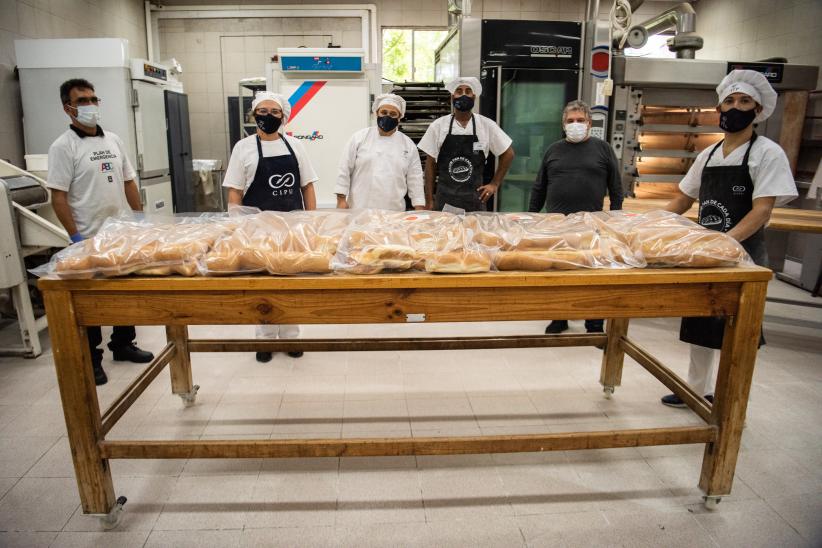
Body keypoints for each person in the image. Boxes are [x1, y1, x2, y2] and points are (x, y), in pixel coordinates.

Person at [660, 70, 798, 407]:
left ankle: (730, 401)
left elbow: (762, 210)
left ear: (758, 110)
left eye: (744, 101)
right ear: (720, 107)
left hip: (744, 253)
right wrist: (653, 223)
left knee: (738, 331)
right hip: (707, 253)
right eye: (730, 101)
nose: (735, 107)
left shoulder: (767, 153)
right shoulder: (708, 154)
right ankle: (695, 390)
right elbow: (682, 199)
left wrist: (727, 241)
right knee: (703, 322)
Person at [47, 78, 154, 386]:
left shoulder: (114, 141)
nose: (90, 105)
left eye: (93, 99)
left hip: (119, 231)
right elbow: (58, 195)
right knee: (89, 298)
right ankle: (91, 359)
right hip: (88, 233)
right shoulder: (63, 147)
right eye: (82, 101)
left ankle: (122, 344)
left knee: (122, 290)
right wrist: (74, 235)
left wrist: (139, 219)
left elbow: (128, 181)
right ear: (68, 108)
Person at [223, 91, 318, 363]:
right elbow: (235, 192)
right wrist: (236, 228)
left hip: (291, 226)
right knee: (262, 285)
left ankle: (291, 336)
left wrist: (311, 223)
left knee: (291, 283)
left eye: (274, 112)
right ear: (254, 115)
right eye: (263, 111)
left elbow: (308, 186)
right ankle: (264, 339)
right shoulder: (243, 147)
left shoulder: (295, 145)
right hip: (257, 229)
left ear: (283, 116)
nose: (268, 116)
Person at [529, 99, 623, 335]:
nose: (575, 124)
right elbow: (540, 186)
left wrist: (616, 217)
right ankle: (559, 317)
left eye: (580, 120)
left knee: (594, 271)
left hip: (593, 224)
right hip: (558, 224)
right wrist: (530, 217)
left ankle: (594, 321)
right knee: (559, 271)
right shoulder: (553, 150)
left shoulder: (603, 149)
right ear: (563, 125)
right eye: (570, 121)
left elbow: (616, 186)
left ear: (589, 123)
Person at [417, 77, 515, 211]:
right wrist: (429, 200)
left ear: (474, 97)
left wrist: (494, 184)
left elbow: (508, 153)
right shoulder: (438, 126)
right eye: (459, 91)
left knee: (476, 232)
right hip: (445, 202)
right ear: (452, 96)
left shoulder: (486, 125)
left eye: (468, 91)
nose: (463, 95)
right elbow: (430, 165)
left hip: (475, 201)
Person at [334, 93, 425, 211]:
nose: (387, 117)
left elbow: (415, 179)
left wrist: (419, 208)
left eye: (393, 114)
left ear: (399, 117)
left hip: (394, 212)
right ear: (376, 113)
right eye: (384, 112)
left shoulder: (408, 144)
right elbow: (344, 169)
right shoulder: (359, 138)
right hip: (359, 209)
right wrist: (341, 200)